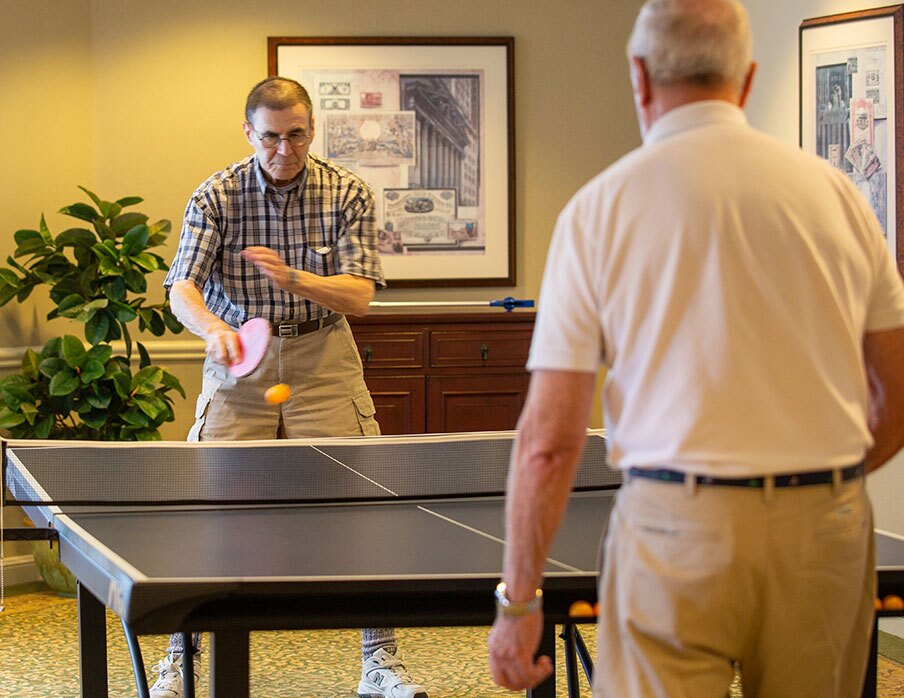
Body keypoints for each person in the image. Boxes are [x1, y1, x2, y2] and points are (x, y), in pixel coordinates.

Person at [487, 1, 904, 696]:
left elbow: (550, 442)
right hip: (824, 528)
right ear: (746, 80)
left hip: (674, 529)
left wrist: (520, 602)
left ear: (639, 77)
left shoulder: (598, 210)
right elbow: (896, 394)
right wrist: (814, 482)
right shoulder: (839, 196)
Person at [158, 76, 428, 698]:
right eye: (272, 137)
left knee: (361, 507)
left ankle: (379, 663)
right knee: (205, 512)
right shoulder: (217, 195)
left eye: (297, 135)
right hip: (237, 358)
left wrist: (297, 280)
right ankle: (181, 659)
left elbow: (359, 295)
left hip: (323, 356)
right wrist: (214, 330)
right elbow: (182, 287)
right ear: (250, 133)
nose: (285, 149)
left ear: (313, 130)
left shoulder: (347, 191)